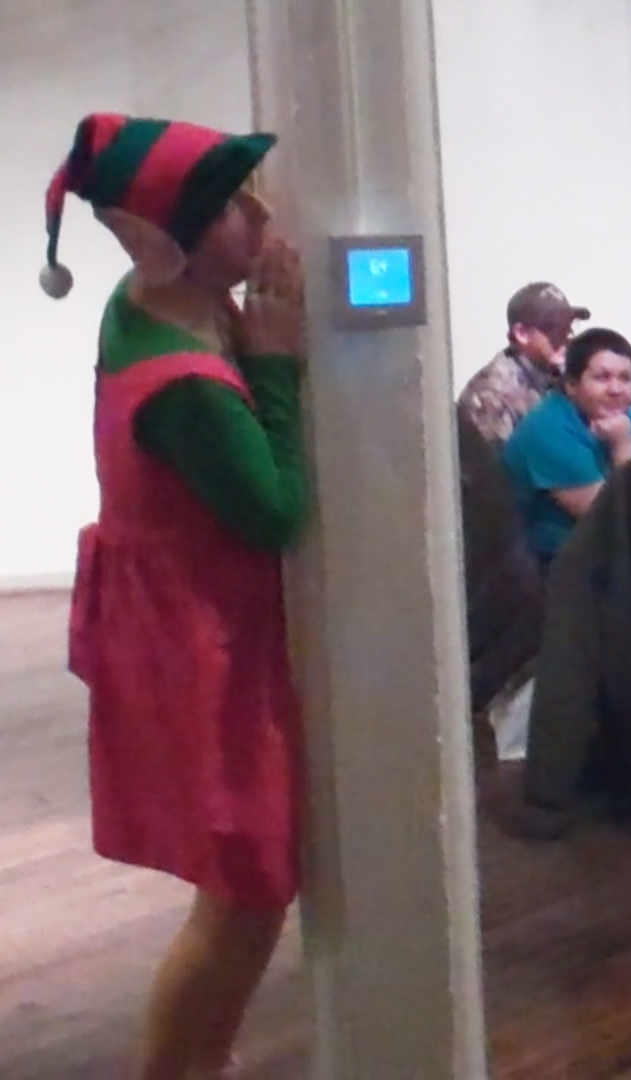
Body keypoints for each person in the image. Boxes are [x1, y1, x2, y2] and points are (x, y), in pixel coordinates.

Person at [40, 113, 308, 1078]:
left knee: (242, 879)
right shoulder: (183, 378)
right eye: (230, 206)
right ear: (166, 244)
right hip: (199, 637)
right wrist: (274, 367)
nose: (260, 217)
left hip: (189, 618)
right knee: (247, 884)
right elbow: (274, 512)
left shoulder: (151, 301)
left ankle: (201, 1062)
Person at [502, 328, 631, 565]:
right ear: (571, 384)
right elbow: (620, 519)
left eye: (625, 378)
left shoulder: (625, 415)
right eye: (602, 378)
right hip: (552, 566)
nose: (615, 389)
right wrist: (622, 444)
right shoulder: (549, 429)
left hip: (603, 557)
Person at [457, 280, 591, 450]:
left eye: (569, 326)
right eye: (555, 329)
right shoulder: (490, 396)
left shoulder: (562, 376)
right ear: (522, 334)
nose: (568, 336)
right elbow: (500, 463)